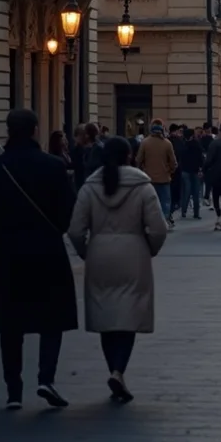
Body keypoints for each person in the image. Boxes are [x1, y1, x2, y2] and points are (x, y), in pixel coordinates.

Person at [0, 108, 77, 409]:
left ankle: (13, 391)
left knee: (10, 323)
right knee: (52, 318)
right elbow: (67, 212)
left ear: (9, 131)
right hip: (47, 251)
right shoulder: (53, 167)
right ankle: (46, 378)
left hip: (8, 254)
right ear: (34, 130)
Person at [67, 135, 167, 404]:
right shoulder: (142, 186)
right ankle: (118, 370)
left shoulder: (90, 187)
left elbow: (76, 229)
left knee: (106, 315)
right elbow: (158, 228)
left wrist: (87, 251)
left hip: (99, 254)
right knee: (129, 315)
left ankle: (112, 367)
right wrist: (150, 248)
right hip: (133, 255)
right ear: (129, 156)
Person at [136, 120, 178, 225]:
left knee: (150, 202)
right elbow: (173, 161)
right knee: (165, 202)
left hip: (148, 178)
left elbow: (138, 159)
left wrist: (142, 170)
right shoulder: (167, 143)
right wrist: (170, 171)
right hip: (164, 177)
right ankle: (165, 221)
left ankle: (151, 221)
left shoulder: (145, 142)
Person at [177, 125, 205, 220]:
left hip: (185, 170)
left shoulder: (182, 144)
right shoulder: (197, 145)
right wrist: (201, 169)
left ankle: (184, 211)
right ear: (192, 135)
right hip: (195, 170)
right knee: (196, 193)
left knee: (186, 192)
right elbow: (201, 158)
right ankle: (196, 213)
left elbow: (180, 157)